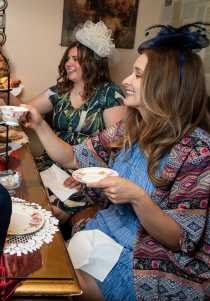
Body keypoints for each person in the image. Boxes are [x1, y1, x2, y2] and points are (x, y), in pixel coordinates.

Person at [21, 23, 210, 300]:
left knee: (59, 286)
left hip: (156, 260)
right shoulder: (132, 129)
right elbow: (73, 157)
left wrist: (138, 199)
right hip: (110, 235)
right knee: (45, 265)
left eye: (138, 75)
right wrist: (38, 125)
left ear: (164, 85)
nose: (126, 81)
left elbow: (180, 239)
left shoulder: (201, 153)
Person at [10, 21, 127, 222]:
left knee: (46, 215)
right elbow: (23, 112)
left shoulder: (111, 94)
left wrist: (87, 176)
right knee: (22, 196)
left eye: (75, 59)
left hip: (85, 174)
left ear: (92, 62)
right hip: (50, 165)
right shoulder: (60, 90)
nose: (68, 63)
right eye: (68, 58)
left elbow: (119, 149)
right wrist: (5, 90)